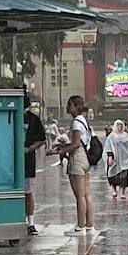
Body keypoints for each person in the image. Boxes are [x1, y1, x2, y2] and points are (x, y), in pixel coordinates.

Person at [46, 94, 94, 235]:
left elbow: (76, 144)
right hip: (85, 158)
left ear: (76, 106)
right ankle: (89, 224)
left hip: (77, 158)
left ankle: (80, 226)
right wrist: (61, 146)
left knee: (79, 195)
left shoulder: (75, 122)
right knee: (86, 194)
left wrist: (59, 151)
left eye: (69, 104)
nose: (67, 107)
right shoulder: (83, 120)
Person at [23, 94, 47, 235]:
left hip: (28, 161)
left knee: (28, 192)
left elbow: (42, 139)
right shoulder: (7, 116)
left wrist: (29, 149)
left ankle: (30, 222)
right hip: (9, 161)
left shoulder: (33, 119)